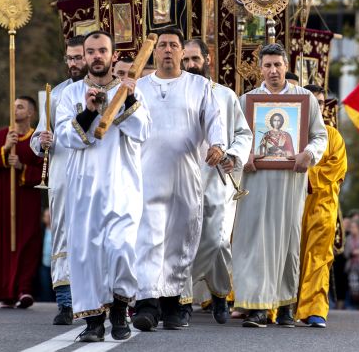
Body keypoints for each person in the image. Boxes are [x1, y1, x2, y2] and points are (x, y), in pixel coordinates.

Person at [56, 30, 150, 342]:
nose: (96, 56)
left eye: (102, 51)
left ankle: (120, 308)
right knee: (86, 254)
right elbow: (66, 138)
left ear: (112, 55)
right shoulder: (70, 95)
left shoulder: (128, 91)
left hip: (122, 185)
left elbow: (143, 131)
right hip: (84, 189)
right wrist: (89, 111)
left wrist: (128, 99)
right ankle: (94, 321)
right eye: (90, 51)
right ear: (84, 57)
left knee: (121, 248)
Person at [133, 28, 225, 331]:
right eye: (163, 45)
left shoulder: (200, 86)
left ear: (182, 52)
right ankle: (146, 305)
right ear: (154, 51)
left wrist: (217, 144)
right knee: (148, 239)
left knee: (180, 239)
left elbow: (215, 120)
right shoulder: (139, 87)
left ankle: (172, 304)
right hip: (147, 172)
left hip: (186, 172)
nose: (169, 50)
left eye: (174, 45)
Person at [233, 43, 327, 328]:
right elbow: (235, 137)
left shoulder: (305, 99)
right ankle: (258, 307)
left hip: (290, 181)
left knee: (287, 241)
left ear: (287, 66)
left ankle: (286, 304)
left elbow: (319, 136)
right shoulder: (246, 101)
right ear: (259, 68)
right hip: (256, 181)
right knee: (255, 241)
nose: (273, 71)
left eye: (278, 65)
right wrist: (243, 155)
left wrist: (308, 153)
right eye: (268, 65)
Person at [178, 38, 252, 325]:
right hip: (182, 177)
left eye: (195, 59)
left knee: (218, 241)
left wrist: (233, 154)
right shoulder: (176, 93)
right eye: (186, 60)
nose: (191, 65)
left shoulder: (225, 95)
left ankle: (220, 294)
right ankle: (181, 299)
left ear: (208, 60)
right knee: (182, 241)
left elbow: (243, 134)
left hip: (218, 177)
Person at [30, 35, 87, 325]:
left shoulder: (101, 91)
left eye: (79, 57)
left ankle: (99, 301)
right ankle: (65, 302)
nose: (75, 63)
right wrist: (43, 140)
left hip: (93, 174)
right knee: (63, 235)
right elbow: (36, 139)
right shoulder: (57, 94)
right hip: (63, 173)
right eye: (70, 58)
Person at [0, 96, 43, 309]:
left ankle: (24, 289)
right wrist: (5, 149)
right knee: (1, 243)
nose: (15, 109)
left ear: (31, 113)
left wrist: (23, 169)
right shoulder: (0, 136)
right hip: (2, 201)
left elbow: (47, 171)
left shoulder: (37, 139)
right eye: (14, 106)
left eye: (21, 106)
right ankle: (5, 291)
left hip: (27, 201)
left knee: (27, 242)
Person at [296, 83, 347, 328]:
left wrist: (304, 177)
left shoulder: (333, 136)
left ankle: (314, 309)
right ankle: (281, 306)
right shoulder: (291, 133)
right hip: (292, 207)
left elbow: (336, 169)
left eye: (320, 102)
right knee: (288, 256)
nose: (317, 106)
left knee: (318, 258)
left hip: (321, 208)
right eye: (312, 102)